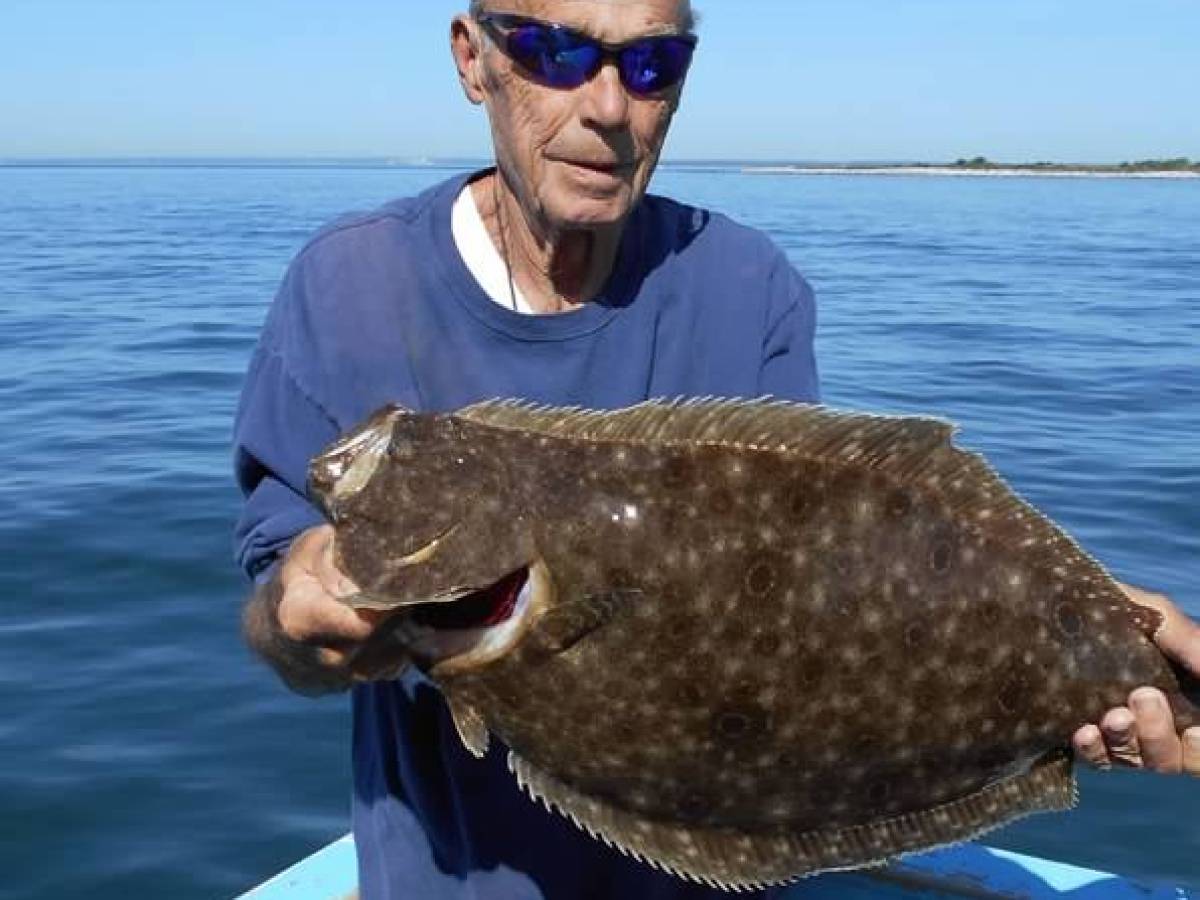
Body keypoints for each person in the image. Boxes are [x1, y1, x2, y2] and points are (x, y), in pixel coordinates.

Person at [234, 2, 1200, 898]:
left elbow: (823, 593)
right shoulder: (348, 284)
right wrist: (299, 612)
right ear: (472, 58)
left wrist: (1099, 642)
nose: (608, 105)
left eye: (654, 63)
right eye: (556, 52)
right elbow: (282, 635)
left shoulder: (748, 285)